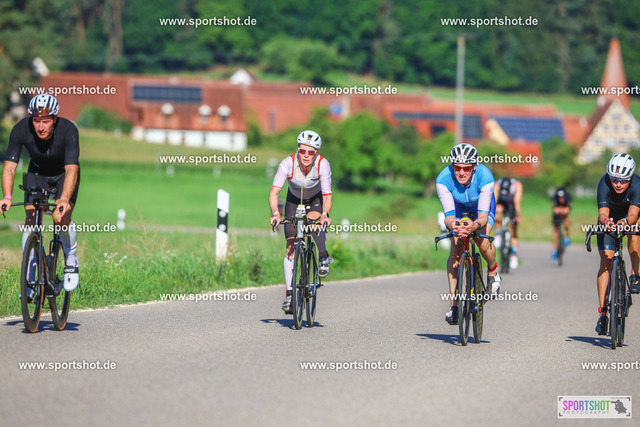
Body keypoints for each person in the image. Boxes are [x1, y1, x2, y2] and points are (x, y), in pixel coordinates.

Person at [0, 94, 80, 297]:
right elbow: (9, 168)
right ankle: (29, 278)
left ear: (54, 119)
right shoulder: (20, 129)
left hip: (64, 174)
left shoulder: (68, 130)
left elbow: (72, 169)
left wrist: (63, 199)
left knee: (60, 216)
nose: (41, 126)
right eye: (36, 121)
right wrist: (7, 196)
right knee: (31, 217)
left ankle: (71, 259)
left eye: (45, 121)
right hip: (38, 173)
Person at [436, 143, 501, 324]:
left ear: (474, 166)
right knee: (456, 247)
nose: (462, 172)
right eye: (457, 168)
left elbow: (482, 217)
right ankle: (454, 306)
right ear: (452, 166)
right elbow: (449, 217)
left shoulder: (485, 176)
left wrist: (475, 226)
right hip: (458, 208)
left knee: (481, 240)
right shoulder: (443, 180)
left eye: (466, 168)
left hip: (482, 206)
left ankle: (493, 271)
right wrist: (454, 225)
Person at [269, 130, 333, 313]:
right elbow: (274, 193)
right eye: (302, 151)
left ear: (316, 154)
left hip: (315, 200)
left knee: (314, 224)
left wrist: (324, 214)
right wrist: (276, 214)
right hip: (293, 199)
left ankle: (323, 255)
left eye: (310, 152)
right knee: (290, 245)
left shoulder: (322, 165)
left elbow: (327, 196)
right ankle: (289, 295)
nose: (306, 155)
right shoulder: (287, 164)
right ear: (297, 150)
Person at [594, 153, 640, 335]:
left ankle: (635, 274)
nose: (618, 184)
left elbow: (633, 214)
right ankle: (603, 315)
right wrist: (607, 222)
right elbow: (603, 214)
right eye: (614, 180)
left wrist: (625, 222)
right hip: (610, 216)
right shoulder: (604, 183)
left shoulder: (637, 184)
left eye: (623, 181)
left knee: (634, 231)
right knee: (606, 262)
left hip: (630, 216)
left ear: (631, 178)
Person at [494, 176, 523, 269]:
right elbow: (494, 199)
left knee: (514, 227)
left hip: (512, 203)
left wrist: (517, 215)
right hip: (502, 201)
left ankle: (514, 255)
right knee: (497, 211)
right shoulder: (498, 184)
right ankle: (498, 234)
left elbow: (517, 201)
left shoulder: (517, 185)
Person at [551, 187, 572, 260]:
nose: (561, 199)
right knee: (556, 230)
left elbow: (567, 210)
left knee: (566, 221)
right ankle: (554, 250)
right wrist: (562, 210)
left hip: (564, 213)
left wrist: (561, 210)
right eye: (559, 197)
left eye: (562, 197)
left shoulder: (568, 197)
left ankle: (566, 236)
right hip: (557, 215)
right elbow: (555, 210)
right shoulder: (555, 198)